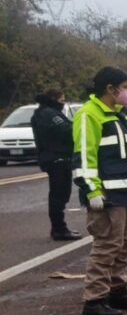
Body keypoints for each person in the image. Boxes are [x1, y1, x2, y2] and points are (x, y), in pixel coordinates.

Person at [72, 67, 127, 315]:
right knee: (107, 246)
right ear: (110, 89)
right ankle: (94, 300)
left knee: (124, 245)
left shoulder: (120, 116)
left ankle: (117, 290)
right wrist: (91, 189)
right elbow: (84, 156)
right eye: (126, 87)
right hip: (106, 195)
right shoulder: (89, 115)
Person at [30, 89, 80, 241]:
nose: (63, 103)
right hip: (56, 158)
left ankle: (59, 227)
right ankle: (59, 229)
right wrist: (77, 124)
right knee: (59, 195)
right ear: (54, 99)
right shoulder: (49, 114)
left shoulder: (44, 113)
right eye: (62, 100)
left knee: (60, 193)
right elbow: (65, 131)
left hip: (56, 157)